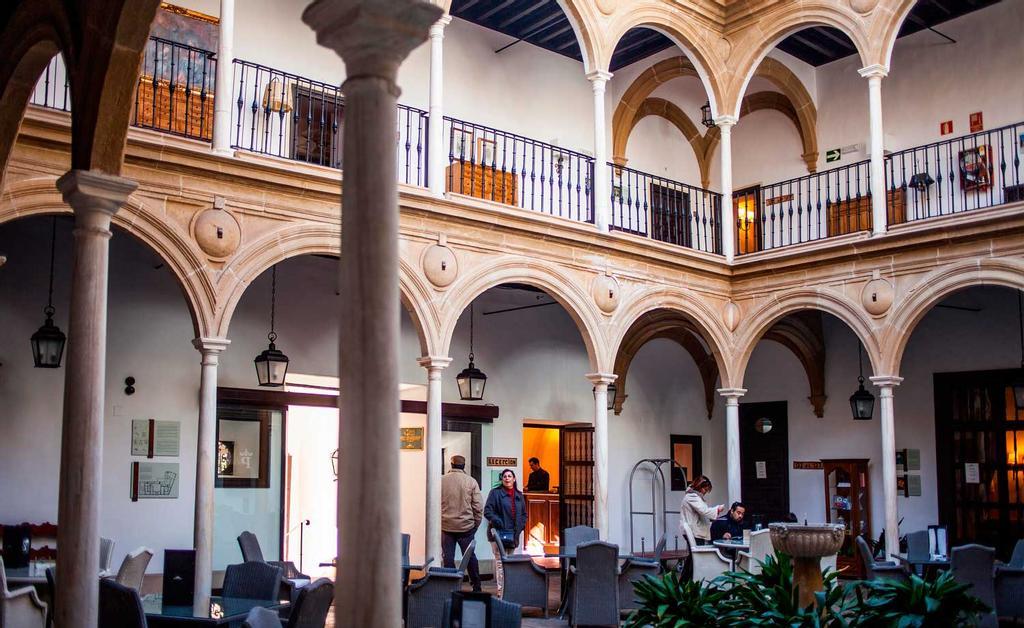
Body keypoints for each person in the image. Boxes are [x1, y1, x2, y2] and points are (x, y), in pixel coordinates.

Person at [441, 454, 483, 591]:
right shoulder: (471, 481)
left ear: (451, 465)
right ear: (464, 466)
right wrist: (475, 525)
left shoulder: (441, 480)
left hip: (446, 526)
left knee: (448, 557)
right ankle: (476, 586)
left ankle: (450, 587)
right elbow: (478, 507)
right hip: (466, 527)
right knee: (470, 556)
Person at [484, 468, 527, 597]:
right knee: (500, 563)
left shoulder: (519, 495)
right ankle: (501, 592)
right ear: (502, 480)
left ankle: (508, 590)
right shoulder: (495, 493)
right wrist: (498, 522)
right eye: (504, 477)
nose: (507, 478)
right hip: (498, 534)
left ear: (514, 479)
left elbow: (524, 514)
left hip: (513, 534)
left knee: (509, 563)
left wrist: (521, 526)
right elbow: (487, 511)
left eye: (509, 476)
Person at [679, 475, 723, 545]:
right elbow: (704, 511)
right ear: (699, 486)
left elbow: (700, 512)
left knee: (694, 554)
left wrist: (711, 517)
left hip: (694, 530)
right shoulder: (692, 496)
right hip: (694, 531)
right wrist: (717, 509)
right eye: (705, 489)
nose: (705, 492)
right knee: (697, 553)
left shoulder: (693, 496)